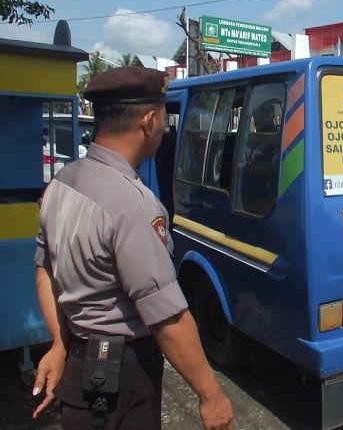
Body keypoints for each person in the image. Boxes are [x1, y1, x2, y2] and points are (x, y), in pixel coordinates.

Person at [31, 67, 234, 429]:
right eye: (162, 119)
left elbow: (46, 271)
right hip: (122, 378)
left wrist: (60, 344)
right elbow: (168, 317)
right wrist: (211, 396)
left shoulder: (61, 184)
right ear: (148, 121)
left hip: (79, 367)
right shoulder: (133, 205)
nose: (162, 129)